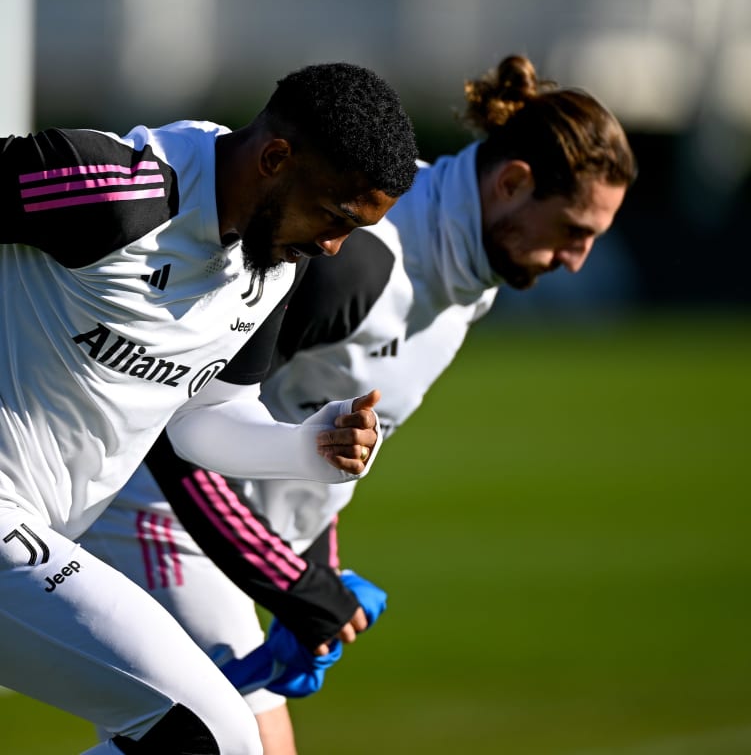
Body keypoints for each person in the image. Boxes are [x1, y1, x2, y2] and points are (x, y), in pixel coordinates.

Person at [82, 54, 638, 753]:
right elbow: (176, 416)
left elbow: (310, 440)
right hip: (144, 503)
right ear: (514, 182)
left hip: (212, 533)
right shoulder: (357, 258)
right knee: (243, 746)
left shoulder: (467, 287)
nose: (576, 259)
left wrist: (318, 571)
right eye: (574, 231)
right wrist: (291, 583)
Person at [0, 61, 418, 755]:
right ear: (276, 159)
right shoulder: (111, 189)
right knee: (216, 735)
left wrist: (305, 447)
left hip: (40, 533)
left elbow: (199, 419)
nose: (333, 245)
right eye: (337, 216)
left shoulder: (273, 261)